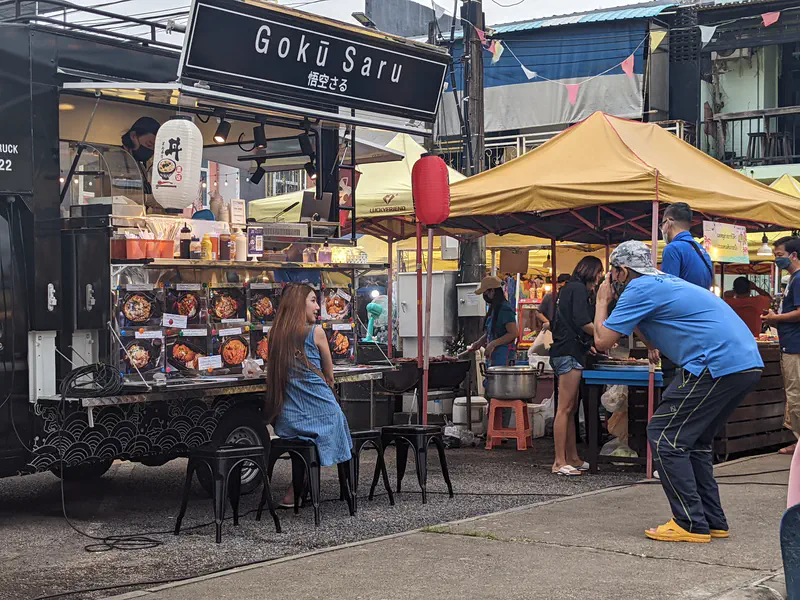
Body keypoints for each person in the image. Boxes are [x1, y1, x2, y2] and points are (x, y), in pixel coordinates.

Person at [594, 241, 763, 543]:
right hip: (744, 362)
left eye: (613, 272)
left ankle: (689, 522)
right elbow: (650, 324)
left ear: (620, 271)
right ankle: (712, 521)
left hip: (713, 364)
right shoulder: (664, 282)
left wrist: (601, 300)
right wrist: (649, 344)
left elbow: (603, 340)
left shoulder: (638, 288)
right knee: (695, 442)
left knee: (663, 435)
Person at [263, 284, 353, 506]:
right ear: (298, 304)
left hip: (288, 420)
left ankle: (297, 490)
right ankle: (346, 489)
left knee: (306, 444)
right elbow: (329, 377)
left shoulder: (274, 334)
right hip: (322, 416)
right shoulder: (317, 332)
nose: (317, 307)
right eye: (313, 301)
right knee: (337, 423)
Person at [549, 257, 605, 477]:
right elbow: (583, 321)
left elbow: (569, 322)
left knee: (570, 408)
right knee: (565, 408)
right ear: (590, 271)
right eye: (599, 272)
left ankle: (572, 457)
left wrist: (589, 344)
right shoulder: (579, 290)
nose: (600, 277)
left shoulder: (568, 289)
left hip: (566, 350)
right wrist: (603, 336)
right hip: (568, 354)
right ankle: (559, 461)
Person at [763, 237, 800, 456]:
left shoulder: (798, 279)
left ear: (793, 255)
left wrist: (776, 318)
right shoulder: (792, 279)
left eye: (779, 256)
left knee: (795, 397)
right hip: (790, 345)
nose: (777, 260)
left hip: (795, 347)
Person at [463, 276, 519, 368]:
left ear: (492, 291)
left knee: (500, 382)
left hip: (504, 355)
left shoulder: (505, 309)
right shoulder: (494, 308)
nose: (484, 296)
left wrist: (493, 344)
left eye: (485, 293)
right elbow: (492, 330)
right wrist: (480, 342)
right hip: (495, 355)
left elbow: (513, 333)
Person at [660, 202, 714, 290]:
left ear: (668, 222)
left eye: (662, 225)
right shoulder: (702, 251)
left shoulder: (673, 248)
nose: (662, 229)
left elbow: (667, 290)